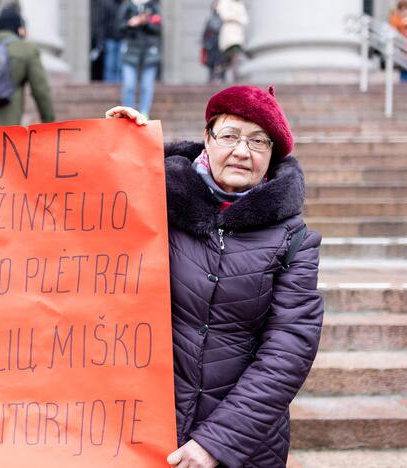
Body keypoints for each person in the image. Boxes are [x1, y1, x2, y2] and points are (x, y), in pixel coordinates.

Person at [107, 85, 323, 467]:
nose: (243, 151)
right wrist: (122, 146)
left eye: (259, 141)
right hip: (144, 430)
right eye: (230, 135)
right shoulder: (156, 200)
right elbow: (68, 219)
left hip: (244, 444)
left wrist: (216, 443)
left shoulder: (295, 239)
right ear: (207, 138)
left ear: (271, 157)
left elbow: (288, 349)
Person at [117, 0, 162, 119]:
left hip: (149, 51)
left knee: (147, 86)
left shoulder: (154, 7)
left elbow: (158, 27)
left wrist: (146, 22)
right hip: (130, 50)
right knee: (129, 85)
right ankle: (128, 113)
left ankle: (144, 113)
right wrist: (131, 23)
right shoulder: (127, 6)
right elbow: (119, 27)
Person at [216, 0, 248, 82]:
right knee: (229, 57)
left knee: (235, 56)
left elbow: (245, 19)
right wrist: (237, 17)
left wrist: (234, 17)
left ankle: (234, 75)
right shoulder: (224, 2)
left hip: (238, 35)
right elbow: (225, 15)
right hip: (229, 35)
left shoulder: (240, 4)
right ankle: (220, 71)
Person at [96, 0, 124, 83]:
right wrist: (100, 41)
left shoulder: (124, 5)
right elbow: (102, 24)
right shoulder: (107, 4)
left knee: (120, 65)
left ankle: (119, 85)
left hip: (122, 39)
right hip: (110, 39)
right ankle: (109, 84)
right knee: (110, 65)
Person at [201, 0, 224, 83]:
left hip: (220, 43)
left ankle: (221, 77)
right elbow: (205, 32)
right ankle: (211, 77)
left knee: (220, 61)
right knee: (211, 62)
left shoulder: (223, 20)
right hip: (212, 43)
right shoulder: (209, 20)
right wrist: (205, 43)